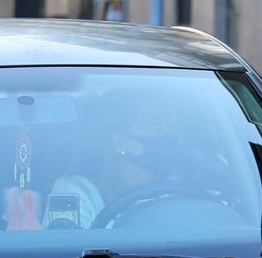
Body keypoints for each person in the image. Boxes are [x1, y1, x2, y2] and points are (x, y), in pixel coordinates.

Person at [44, 96, 181, 229]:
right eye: (155, 127)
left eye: (171, 125)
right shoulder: (76, 193)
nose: (169, 134)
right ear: (120, 142)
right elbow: (66, 242)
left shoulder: (180, 188)